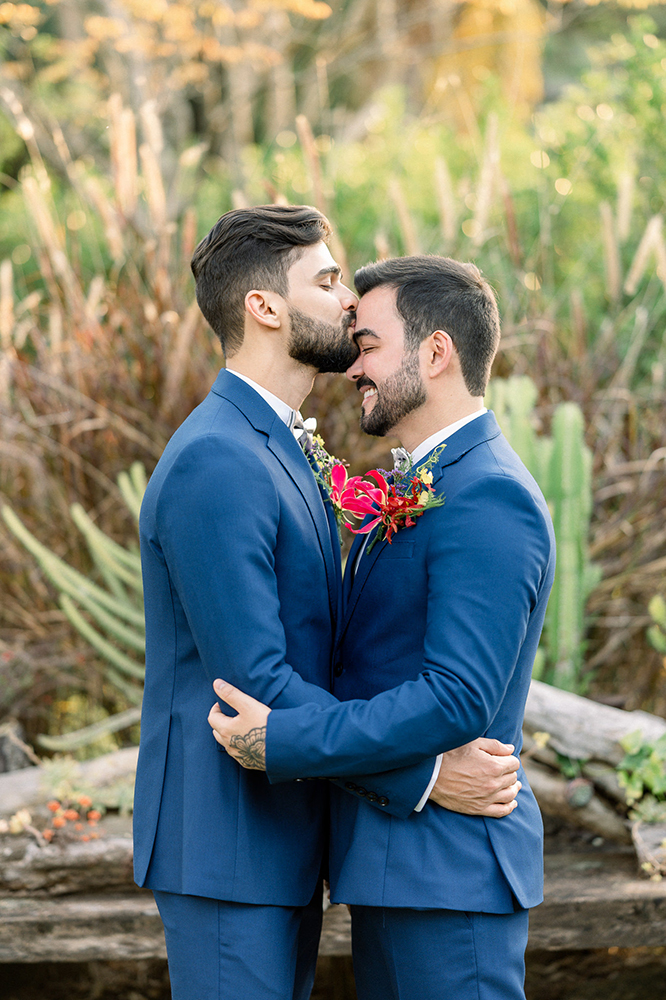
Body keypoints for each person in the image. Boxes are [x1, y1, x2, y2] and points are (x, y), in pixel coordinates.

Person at [134, 208, 521, 1000]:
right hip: (227, 847)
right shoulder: (219, 457)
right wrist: (421, 776)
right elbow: (256, 687)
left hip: (279, 841)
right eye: (327, 279)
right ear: (265, 308)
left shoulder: (280, 451)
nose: (347, 302)